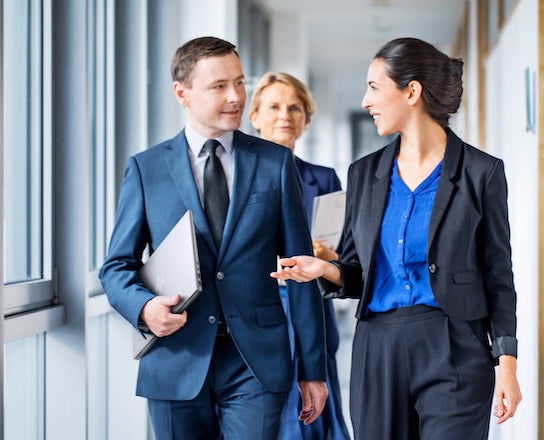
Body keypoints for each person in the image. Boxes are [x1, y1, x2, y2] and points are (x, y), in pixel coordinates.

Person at [271, 37, 522, 439]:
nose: (365, 101)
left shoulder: (481, 172)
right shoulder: (363, 174)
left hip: (454, 344)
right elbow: (356, 272)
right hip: (378, 348)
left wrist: (506, 363)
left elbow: (498, 275)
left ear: (411, 91)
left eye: (373, 87)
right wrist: (325, 269)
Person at [99, 36, 328, 440]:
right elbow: (117, 267)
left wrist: (314, 370)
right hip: (176, 357)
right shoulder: (146, 169)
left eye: (239, 83)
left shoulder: (274, 163)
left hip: (255, 361)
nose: (235, 97)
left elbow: (301, 270)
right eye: (219, 86)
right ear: (182, 93)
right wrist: (145, 309)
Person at [249, 71, 351, 440]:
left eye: (295, 108)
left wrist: (325, 257)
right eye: (274, 106)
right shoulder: (236, 176)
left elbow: (345, 254)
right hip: (258, 311)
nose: (285, 116)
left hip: (310, 307)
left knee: (315, 411)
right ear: (255, 115)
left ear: (306, 120)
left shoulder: (323, 179)